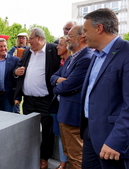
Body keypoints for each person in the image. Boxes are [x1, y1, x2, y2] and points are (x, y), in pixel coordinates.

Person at [80, 8, 129, 169]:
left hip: (112, 142)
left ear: (99, 28)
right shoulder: (96, 54)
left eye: (85, 31)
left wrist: (117, 140)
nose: (83, 35)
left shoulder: (126, 53)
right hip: (90, 134)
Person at [14, 27, 61, 169]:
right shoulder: (28, 51)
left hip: (46, 100)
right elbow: (19, 68)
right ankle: (29, 154)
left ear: (40, 38)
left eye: (31, 39)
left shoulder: (53, 50)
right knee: (29, 129)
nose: (28, 42)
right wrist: (16, 71)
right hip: (28, 100)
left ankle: (43, 157)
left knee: (47, 131)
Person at [50, 25, 92, 169]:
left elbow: (68, 86)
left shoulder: (86, 58)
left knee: (76, 157)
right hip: (65, 112)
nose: (67, 38)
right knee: (68, 152)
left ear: (82, 37)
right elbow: (54, 76)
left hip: (73, 115)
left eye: (71, 36)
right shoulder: (72, 57)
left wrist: (57, 86)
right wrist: (58, 81)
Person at [51, 36, 70, 169]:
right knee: (59, 134)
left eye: (60, 45)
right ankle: (63, 163)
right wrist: (59, 81)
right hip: (57, 105)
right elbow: (52, 78)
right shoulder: (61, 62)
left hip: (69, 107)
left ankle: (65, 163)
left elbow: (69, 85)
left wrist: (57, 83)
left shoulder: (73, 62)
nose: (57, 47)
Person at [0, 38, 19, 112]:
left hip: (8, 97)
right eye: (0, 46)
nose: (3, 48)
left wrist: (18, 97)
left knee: (8, 120)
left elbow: (19, 81)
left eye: (5, 46)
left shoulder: (15, 60)